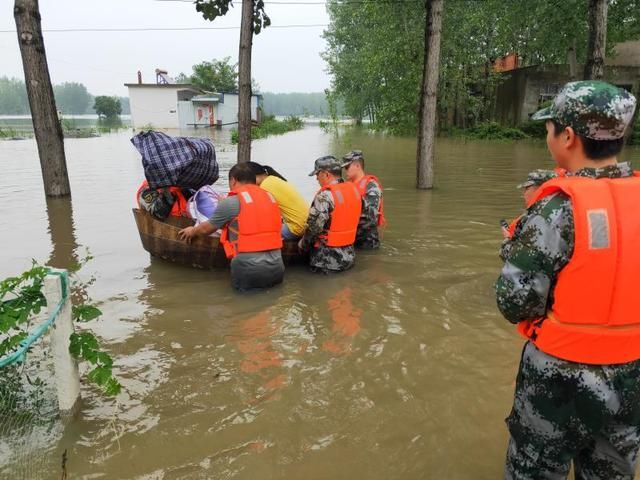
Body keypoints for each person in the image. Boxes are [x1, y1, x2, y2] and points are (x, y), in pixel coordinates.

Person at [496, 80, 640, 479]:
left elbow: (514, 302)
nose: (547, 135)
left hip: (558, 379)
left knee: (536, 471)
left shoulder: (555, 210)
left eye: (549, 127)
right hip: (632, 374)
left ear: (569, 136)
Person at [179, 163, 284, 291]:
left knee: (245, 308)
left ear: (233, 180)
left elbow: (207, 228)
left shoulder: (232, 202)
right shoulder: (270, 197)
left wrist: (192, 230)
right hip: (278, 265)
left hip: (250, 269)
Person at [298, 155, 361, 273]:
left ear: (326, 174)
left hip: (327, 261)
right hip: (349, 257)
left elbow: (314, 228)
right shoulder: (354, 190)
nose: (316, 178)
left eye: (317, 174)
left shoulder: (325, 196)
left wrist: (303, 244)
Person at [245, 162, 309, 240]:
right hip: (305, 225)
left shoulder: (264, 186)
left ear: (254, 176)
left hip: (296, 228)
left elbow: (258, 212)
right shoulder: (273, 179)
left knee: (252, 231)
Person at [341, 150, 385, 249]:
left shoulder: (371, 186)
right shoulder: (347, 186)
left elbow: (370, 218)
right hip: (350, 239)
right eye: (344, 168)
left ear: (357, 166)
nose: (345, 170)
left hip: (366, 243)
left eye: (347, 167)